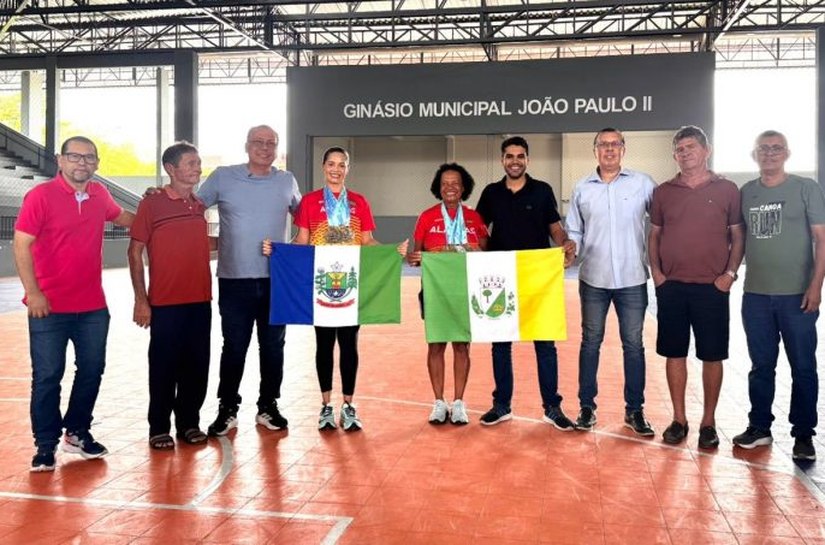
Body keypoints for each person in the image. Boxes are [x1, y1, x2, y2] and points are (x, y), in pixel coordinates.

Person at [14, 136, 134, 472]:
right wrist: (34, 293)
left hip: (93, 307)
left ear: (96, 163)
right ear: (60, 160)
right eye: (74, 156)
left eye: (89, 158)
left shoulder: (100, 195)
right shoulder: (40, 196)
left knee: (92, 370)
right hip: (48, 307)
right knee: (48, 376)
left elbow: (125, 218)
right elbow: (21, 245)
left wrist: (157, 212)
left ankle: (77, 432)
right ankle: (45, 445)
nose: (82, 163)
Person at [266, 147, 406, 431]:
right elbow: (303, 240)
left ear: (347, 169)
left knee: (350, 345)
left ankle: (349, 405)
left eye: (342, 164)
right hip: (322, 285)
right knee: (324, 345)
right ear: (323, 166)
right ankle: (326, 406)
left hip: (351, 285)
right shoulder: (310, 201)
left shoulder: (359, 201)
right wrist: (278, 251)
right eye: (331, 164)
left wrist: (393, 252)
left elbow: (367, 241)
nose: (336, 169)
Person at [199, 125, 302, 437]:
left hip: (276, 280)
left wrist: (295, 248)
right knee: (234, 347)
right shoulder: (223, 176)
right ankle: (227, 407)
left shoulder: (287, 180)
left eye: (272, 143)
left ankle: (268, 405)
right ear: (246, 145)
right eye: (259, 142)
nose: (265, 148)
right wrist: (218, 240)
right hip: (234, 280)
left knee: (273, 346)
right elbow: (190, 209)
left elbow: (308, 219)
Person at [649, 125, 744, 449]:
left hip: (712, 288)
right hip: (672, 286)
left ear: (707, 150)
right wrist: (657, 274)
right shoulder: (663, 192)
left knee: (711, 355)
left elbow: (738, 234)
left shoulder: (728, 189)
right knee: (674, 354)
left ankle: (708, 422)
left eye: (690, 147)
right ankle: (679, 420)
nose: (685, 153)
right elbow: (655, 235)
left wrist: (730, 273)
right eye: (679, 149)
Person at [732, 130, 825, 461]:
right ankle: (759, 427)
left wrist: (816, 285)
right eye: (763, 149)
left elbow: (821, 240)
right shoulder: (746, 193)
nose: (769, 153)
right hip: (756, 294)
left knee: (802, 366)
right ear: (754, 154)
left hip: (797, 296)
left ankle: (803, 433)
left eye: (776, 149)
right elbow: (738, 240)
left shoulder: (805, 189)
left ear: (787, 153)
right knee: (761, 365)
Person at [475, 136, 576, 428]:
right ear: (502, 160)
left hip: (538, 277)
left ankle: (552, 407)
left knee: (545, 344)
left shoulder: (542, 191)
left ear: (527, 160)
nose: (515, 161)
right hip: (500, 278)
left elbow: (554, 228)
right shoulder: (491, 192)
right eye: (509, 156)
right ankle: (501, 405)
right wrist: (481, 254)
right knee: (500, 344)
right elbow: (480, 229)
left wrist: (566, 242)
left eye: (520, 156)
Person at [565, 128, 657, 436]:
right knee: (590, 343)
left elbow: (662, 222)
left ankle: (635, 410)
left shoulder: (643, 184)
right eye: (603, 145)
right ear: (595, 151)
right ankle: (586, 407)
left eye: (615, 144)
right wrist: (570, 251)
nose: (609, 149)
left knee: (634, 345)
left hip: (632, 278)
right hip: (593, 279)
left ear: (623, 149)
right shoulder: (582, 188)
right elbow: (574, 232)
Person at [128, 142, 212, 450]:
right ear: (171, 169)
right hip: (165, 303)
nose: (197, 168)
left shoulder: (200, 204)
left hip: (201, 301)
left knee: (197, 365)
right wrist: (141, 299)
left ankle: (189, 422)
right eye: (190, 163)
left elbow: (201, 244)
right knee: (164, 366)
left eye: (199, 163)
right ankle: (159, 427)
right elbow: (134, 251)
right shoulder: (151, 204)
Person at [407, 163, 488, 425]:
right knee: (436, 344)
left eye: (455, 183)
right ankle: (439, 402)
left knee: (462, 345)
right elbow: (415, 256)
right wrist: (417, 257)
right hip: (435, 290)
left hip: (465, 291)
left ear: (464, 187)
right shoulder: (427, 217)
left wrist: (472, 250)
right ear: (438, 188)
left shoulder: (475, 217)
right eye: (445, 183)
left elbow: (487, 253)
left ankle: (459, 402)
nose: (450, 187)